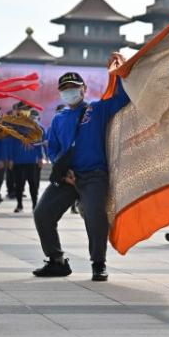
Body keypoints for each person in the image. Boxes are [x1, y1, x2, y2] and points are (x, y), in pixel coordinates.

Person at [33, 57, 129, 282]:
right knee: (42, 213)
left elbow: (123, 98)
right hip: (67, 177)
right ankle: (56, 260)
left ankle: (98, 263)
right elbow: (54, 149)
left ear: (84, 89)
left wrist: (120, 70)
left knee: (95, 214)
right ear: (60, 93)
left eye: (74, 88)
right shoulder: (57, 120)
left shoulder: (97, 110)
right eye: (65, 89)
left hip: (94, 175)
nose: (70, 92)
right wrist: (63, 171)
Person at [6, 105, 45, 213]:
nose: (25, 112)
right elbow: (11, 144)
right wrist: (10, 158)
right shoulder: (16, 127)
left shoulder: (35, 128)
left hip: (31, 160)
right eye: (23, 110)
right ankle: (19, 205)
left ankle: (35, 205)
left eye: (27, 110)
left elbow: (38, 144)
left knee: (33, 183)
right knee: (19, 184)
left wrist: (40, 157)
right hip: (18, 160)